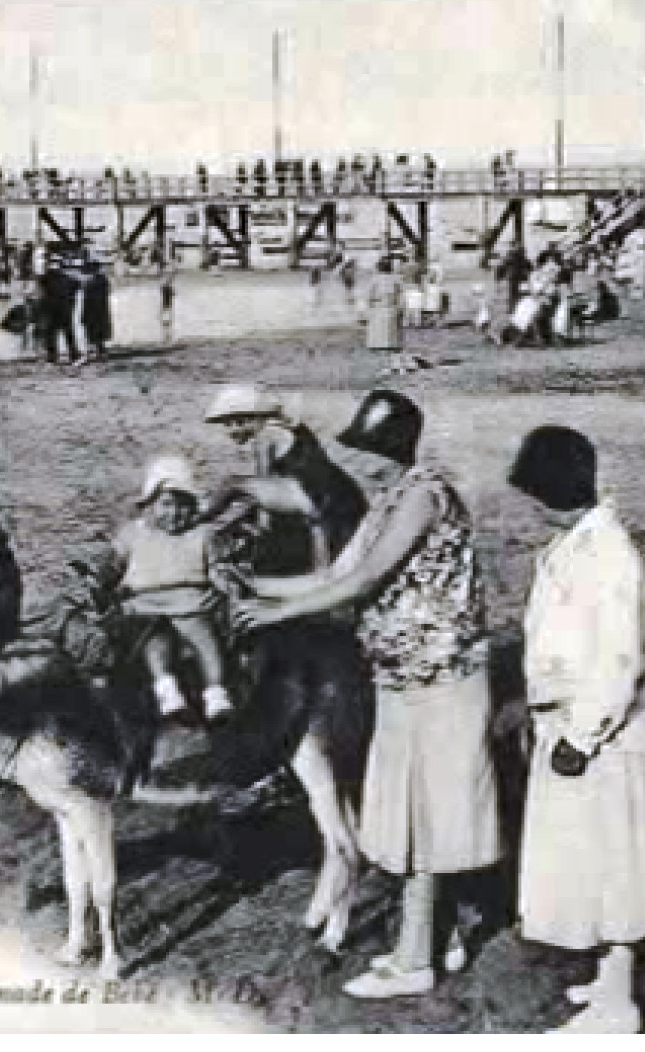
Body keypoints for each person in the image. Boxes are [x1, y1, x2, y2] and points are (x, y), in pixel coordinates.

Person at [234, 390, 501, 1000]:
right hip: (403, 676)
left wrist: (277, 614)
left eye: (375, 451)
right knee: (411, 812)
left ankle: (414, 960)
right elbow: (331, 574)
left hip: (442, 676)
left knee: (428, 817)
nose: (368, 464)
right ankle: (440, 938)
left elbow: (362, 581)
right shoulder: (388, 500)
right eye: (362, 451)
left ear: (400, 448)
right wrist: (252, 588)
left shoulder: (424, 496)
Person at [505, 426, 645, 1033]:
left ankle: (620, 1003)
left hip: (601, 736)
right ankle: (608, 974)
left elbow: (617, 657)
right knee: (580, 861)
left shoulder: (609, 554)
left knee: (613, 863)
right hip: (563, 723)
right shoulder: (576, 543)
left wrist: (585, 736)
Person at [113, 456, 233, 722]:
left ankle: (215, 691)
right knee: (154, 639)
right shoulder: (133, 534)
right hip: (144, 605)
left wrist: (223, 583)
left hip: (191, 604)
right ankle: (166, 688)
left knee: (204, 638)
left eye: (183, 506)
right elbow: (114, 567)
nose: (174, 513)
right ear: (150, 506)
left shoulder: (203, 534)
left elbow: (217, 568)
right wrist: (106, 585)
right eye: (166, 504)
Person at [203, 384, 369, 575]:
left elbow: (264, 488)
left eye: (230, 424)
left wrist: (260, 530)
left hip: (320, 503)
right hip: (338, 501)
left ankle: (201, 517)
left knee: (233, 483)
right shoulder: (287, 428)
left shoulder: (266, 436)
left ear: (243, 419)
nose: (229, 431)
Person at [366, 258, 406, 374]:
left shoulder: (375, 280)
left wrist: (369, 308)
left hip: (380, 311)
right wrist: (400, 309)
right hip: (392, 310)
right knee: (393, 340)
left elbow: (369, 296)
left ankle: (386, 366)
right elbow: (401, 296)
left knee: (381, 341)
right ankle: (396, 364)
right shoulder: (396, 279)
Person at [39, 257, 82, 365]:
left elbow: (41, 291)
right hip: (64, 309)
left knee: (51, 333)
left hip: (53, 310)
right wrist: (71, 301)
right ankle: (73, 355)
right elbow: (77, 287)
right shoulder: (69, 279)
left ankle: (53, 356)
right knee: (67, 333)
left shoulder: (45, 279)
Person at [80, 260, 113, 364]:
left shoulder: (93, 281)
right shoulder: (101, 280)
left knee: (94, 331)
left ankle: (99, 352)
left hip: (94, 310)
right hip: (98, 309)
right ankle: (100, 351)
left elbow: (88, 298)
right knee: (97, 332)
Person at [159, 267, 177, 345]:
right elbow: (174, 294)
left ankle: (166, 335)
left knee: (165, 321)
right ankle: (167, 336)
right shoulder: (169, 288)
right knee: (168, 321)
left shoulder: (164, 287)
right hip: (168, 305)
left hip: (164, 304)